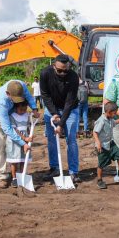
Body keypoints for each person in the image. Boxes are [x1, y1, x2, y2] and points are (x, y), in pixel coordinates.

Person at [0, 80, 39, 188]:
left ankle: (17, 174)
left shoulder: (21, 85)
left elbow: (29, 96)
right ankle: (2, 176)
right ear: (8, 94)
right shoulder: (2, 101)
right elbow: (7, 128)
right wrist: (23, 142)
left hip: (11, 112)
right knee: (1, 144)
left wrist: (34, 109)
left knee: (14, 145)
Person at [40, 54, 81, 183]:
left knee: (71, 140)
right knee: (52, 140)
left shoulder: (73, 77)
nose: (63, 73)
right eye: (59, 70)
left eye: (66, 70)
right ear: (54, 66)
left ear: (69, 67)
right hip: (52, 108)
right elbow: (45, 95)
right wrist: (54, 113)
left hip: (71, 109)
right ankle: (55, 168)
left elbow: (69, 102)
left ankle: (73, 172)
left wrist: (61, 124)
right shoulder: (45, 73)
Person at [93, 102, 119, 189]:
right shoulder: (101, 121)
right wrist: (98, 143)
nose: (115, 115)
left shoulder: (110, 119)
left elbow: (114, 123)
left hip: (110, 143)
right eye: (114, 113)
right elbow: (95, 132)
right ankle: (99, 180)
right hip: (102, 146)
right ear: (109, 112)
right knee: (101, 164)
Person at [5, 101, 33, 188]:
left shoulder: (27, 115)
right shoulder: (12, 116)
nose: (23, 111)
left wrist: (29, 137)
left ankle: (22, 175)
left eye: (24, 109)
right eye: (21, 109)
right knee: (14, 161)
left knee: (23, 160)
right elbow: (15, 131)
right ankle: (14, 178)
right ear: (15, 107)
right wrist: (24, 138)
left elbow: (28, 127)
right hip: (15, 141)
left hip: (25, 140)